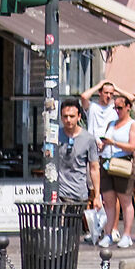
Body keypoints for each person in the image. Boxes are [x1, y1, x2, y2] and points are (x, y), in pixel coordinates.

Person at [94, 88, 135, 248]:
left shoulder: (132, 125)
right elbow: (107, 141)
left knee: (125, 200)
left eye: (120, 107)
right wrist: (102, 144)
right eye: (115, 108)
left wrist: (114, 143)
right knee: (109, 200)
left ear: (128, 107)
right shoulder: (111, 124)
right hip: (107, 162)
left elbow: (132, 146)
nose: (117, 111)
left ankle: (127, 234)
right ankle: (109, 233)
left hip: (123, 164)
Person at [52, 98, 101, 242]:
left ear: (79, 116)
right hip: (59, 193)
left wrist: (96, 195)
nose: (68, 120)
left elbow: (94, 167)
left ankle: (69, 262)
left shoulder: (88, 139)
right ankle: (58, 262)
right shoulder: (55, 136)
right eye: (65, 116)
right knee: (57, 234)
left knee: (72, 235)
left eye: (72, 116)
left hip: (78, 193)